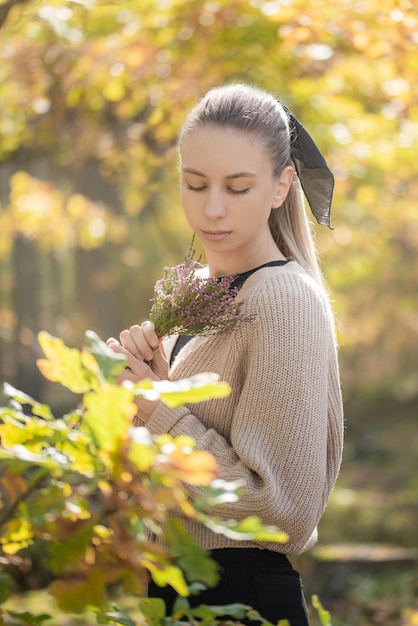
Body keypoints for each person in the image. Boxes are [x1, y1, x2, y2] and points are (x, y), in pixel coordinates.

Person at [107, 83, 344, 626]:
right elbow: (167, 473)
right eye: (195, 184)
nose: (211, 209)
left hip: (242, 597)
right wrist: (137, 386)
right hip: (171, 586)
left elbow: (283, 508)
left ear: (283, 185)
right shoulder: (191, 293)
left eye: (238, 188)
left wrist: (158, 410)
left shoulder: (283, 299)